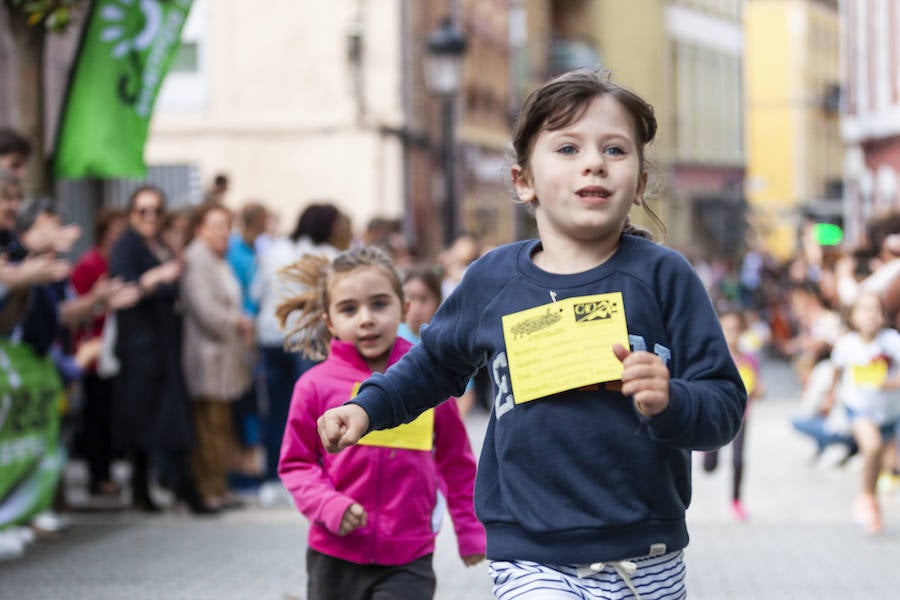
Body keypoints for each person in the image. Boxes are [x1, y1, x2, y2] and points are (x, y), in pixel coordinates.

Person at [318, 69, 746, 600]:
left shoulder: (667, 277)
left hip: (648, 552)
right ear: (524, 181)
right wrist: (366, 408)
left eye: (615, 150)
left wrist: (671, 399)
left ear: (638, 183)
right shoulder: (491, 279)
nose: (593, 162)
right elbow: (433, 365)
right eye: (568, 148)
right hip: (530, 554)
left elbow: (724, 404)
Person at [277, 246, 485, 600]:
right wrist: (328, 505)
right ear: (329, 321)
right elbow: (296, 464)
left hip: (409, 555)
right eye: (348, 309)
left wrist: (470, 529)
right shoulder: (313, 386)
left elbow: (457, 462)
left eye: (379, 304)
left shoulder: (426, 382)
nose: (366, 319)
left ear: (403, 307)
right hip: (334, 553)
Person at [108, 185, 212, 514]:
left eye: (156, 210)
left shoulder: (159, 245)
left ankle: (165, 488)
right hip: (141, 348)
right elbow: (123, 287)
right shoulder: (126, 247)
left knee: (167, 418)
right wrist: (157, 276)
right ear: (131, 214)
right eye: (143, 211)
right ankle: (167, 489)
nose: (150, 217)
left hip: (164, 346)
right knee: (150, 420)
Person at [250, 202, 352, 506]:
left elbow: (256, 293)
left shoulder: (273, 250)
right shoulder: (330, 258)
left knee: (276, 411)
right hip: (307, 342)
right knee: (311, 413)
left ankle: (272, 478)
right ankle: (310, 479)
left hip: (271, 338)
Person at [180, 203, 253, 510]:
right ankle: (209, 489)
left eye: (227, 225)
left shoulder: (216, 258)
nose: (224, 232)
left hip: (223, 356)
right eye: (218, 225)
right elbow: (204, 309)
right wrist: (236, 321)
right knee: (207, 427)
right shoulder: (197, 259)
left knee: (219, 425)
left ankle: (219, 486)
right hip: (207, 355)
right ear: (201, 228)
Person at [70, 208, 134, 497]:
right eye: (116, 228)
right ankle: (98, 475)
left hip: (118, 350)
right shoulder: (90, 264)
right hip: (95, 352)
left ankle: (109, 471)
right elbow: (76, 310)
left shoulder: (121, 262)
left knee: (113, 416)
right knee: (96, 416)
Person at [826, 290, 900, 534]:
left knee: (887, 463)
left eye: (875, 310)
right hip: (858, 409)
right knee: (872, 447)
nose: (870, 315)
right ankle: (865, 498)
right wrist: (830, 398)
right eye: (864, 309)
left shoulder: (891, 341)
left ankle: (873, 505)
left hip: (889, 413)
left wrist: (886, 383)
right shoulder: (846, 344)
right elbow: (836, 373)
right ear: (853, 316)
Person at [701, 309, 764, 521]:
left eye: (736, 330)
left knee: (738, 460)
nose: (732, 335)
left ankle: (736, 501)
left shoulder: (749, 360)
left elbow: (758, 387)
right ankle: (708, 454)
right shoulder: (713, 357)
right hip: (715, 415)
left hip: (741, 416)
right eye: (727, 329)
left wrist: (757, 391)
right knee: (710, 466)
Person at [399, 264, 478, 416]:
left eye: (423, 299)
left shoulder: (447, 342)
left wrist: (450, 427)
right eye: (409, 297)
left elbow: (467, 394)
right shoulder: (390, 337)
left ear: (437, 301)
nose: (415, 307)